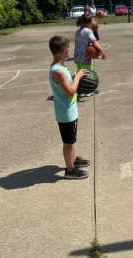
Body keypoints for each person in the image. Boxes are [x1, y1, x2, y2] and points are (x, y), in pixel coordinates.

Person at [48, 35, 90, 180]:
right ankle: (70, 170)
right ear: (65, 51)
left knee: (72, 140)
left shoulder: (61, 67)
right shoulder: (57, 71)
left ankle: (73, 160)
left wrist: (75, 76)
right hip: (65, 113)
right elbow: (70, 92)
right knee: (68, 142)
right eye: (69, 50)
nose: (70, 52)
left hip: (70, 111)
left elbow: (66, 81)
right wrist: (77, 77)